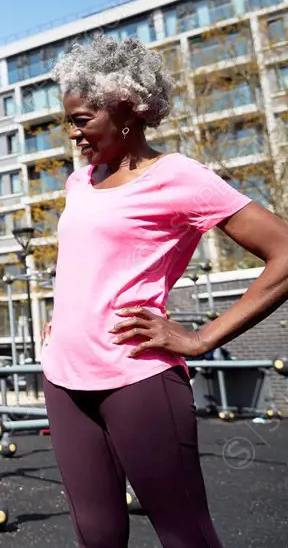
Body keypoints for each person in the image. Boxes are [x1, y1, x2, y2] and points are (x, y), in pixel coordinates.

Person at [40, 35, 288, 548]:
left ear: (127, 110)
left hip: (137, 378)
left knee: (184, 535)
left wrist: (202, 338)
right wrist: (67, 318)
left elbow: (284, 254)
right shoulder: (80, 181)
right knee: (98, 536)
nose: (72, 133)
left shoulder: (179, 177)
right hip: (63, 379)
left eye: (82, 119)